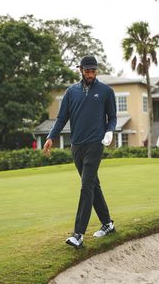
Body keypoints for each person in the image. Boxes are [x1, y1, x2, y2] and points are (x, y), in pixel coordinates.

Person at [43, 55, 117, 248]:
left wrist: (109, 131)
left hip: (95, 144)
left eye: (93, 71)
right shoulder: (70, 92)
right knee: (93, 185)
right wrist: (51, 136)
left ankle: (78, 234)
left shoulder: (106, 91)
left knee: (86, 186)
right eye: (87, 71)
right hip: (76, 146)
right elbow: (61, 118)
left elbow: (113, 118)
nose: (90, 74)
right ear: (81, 70)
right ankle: (108, 223)